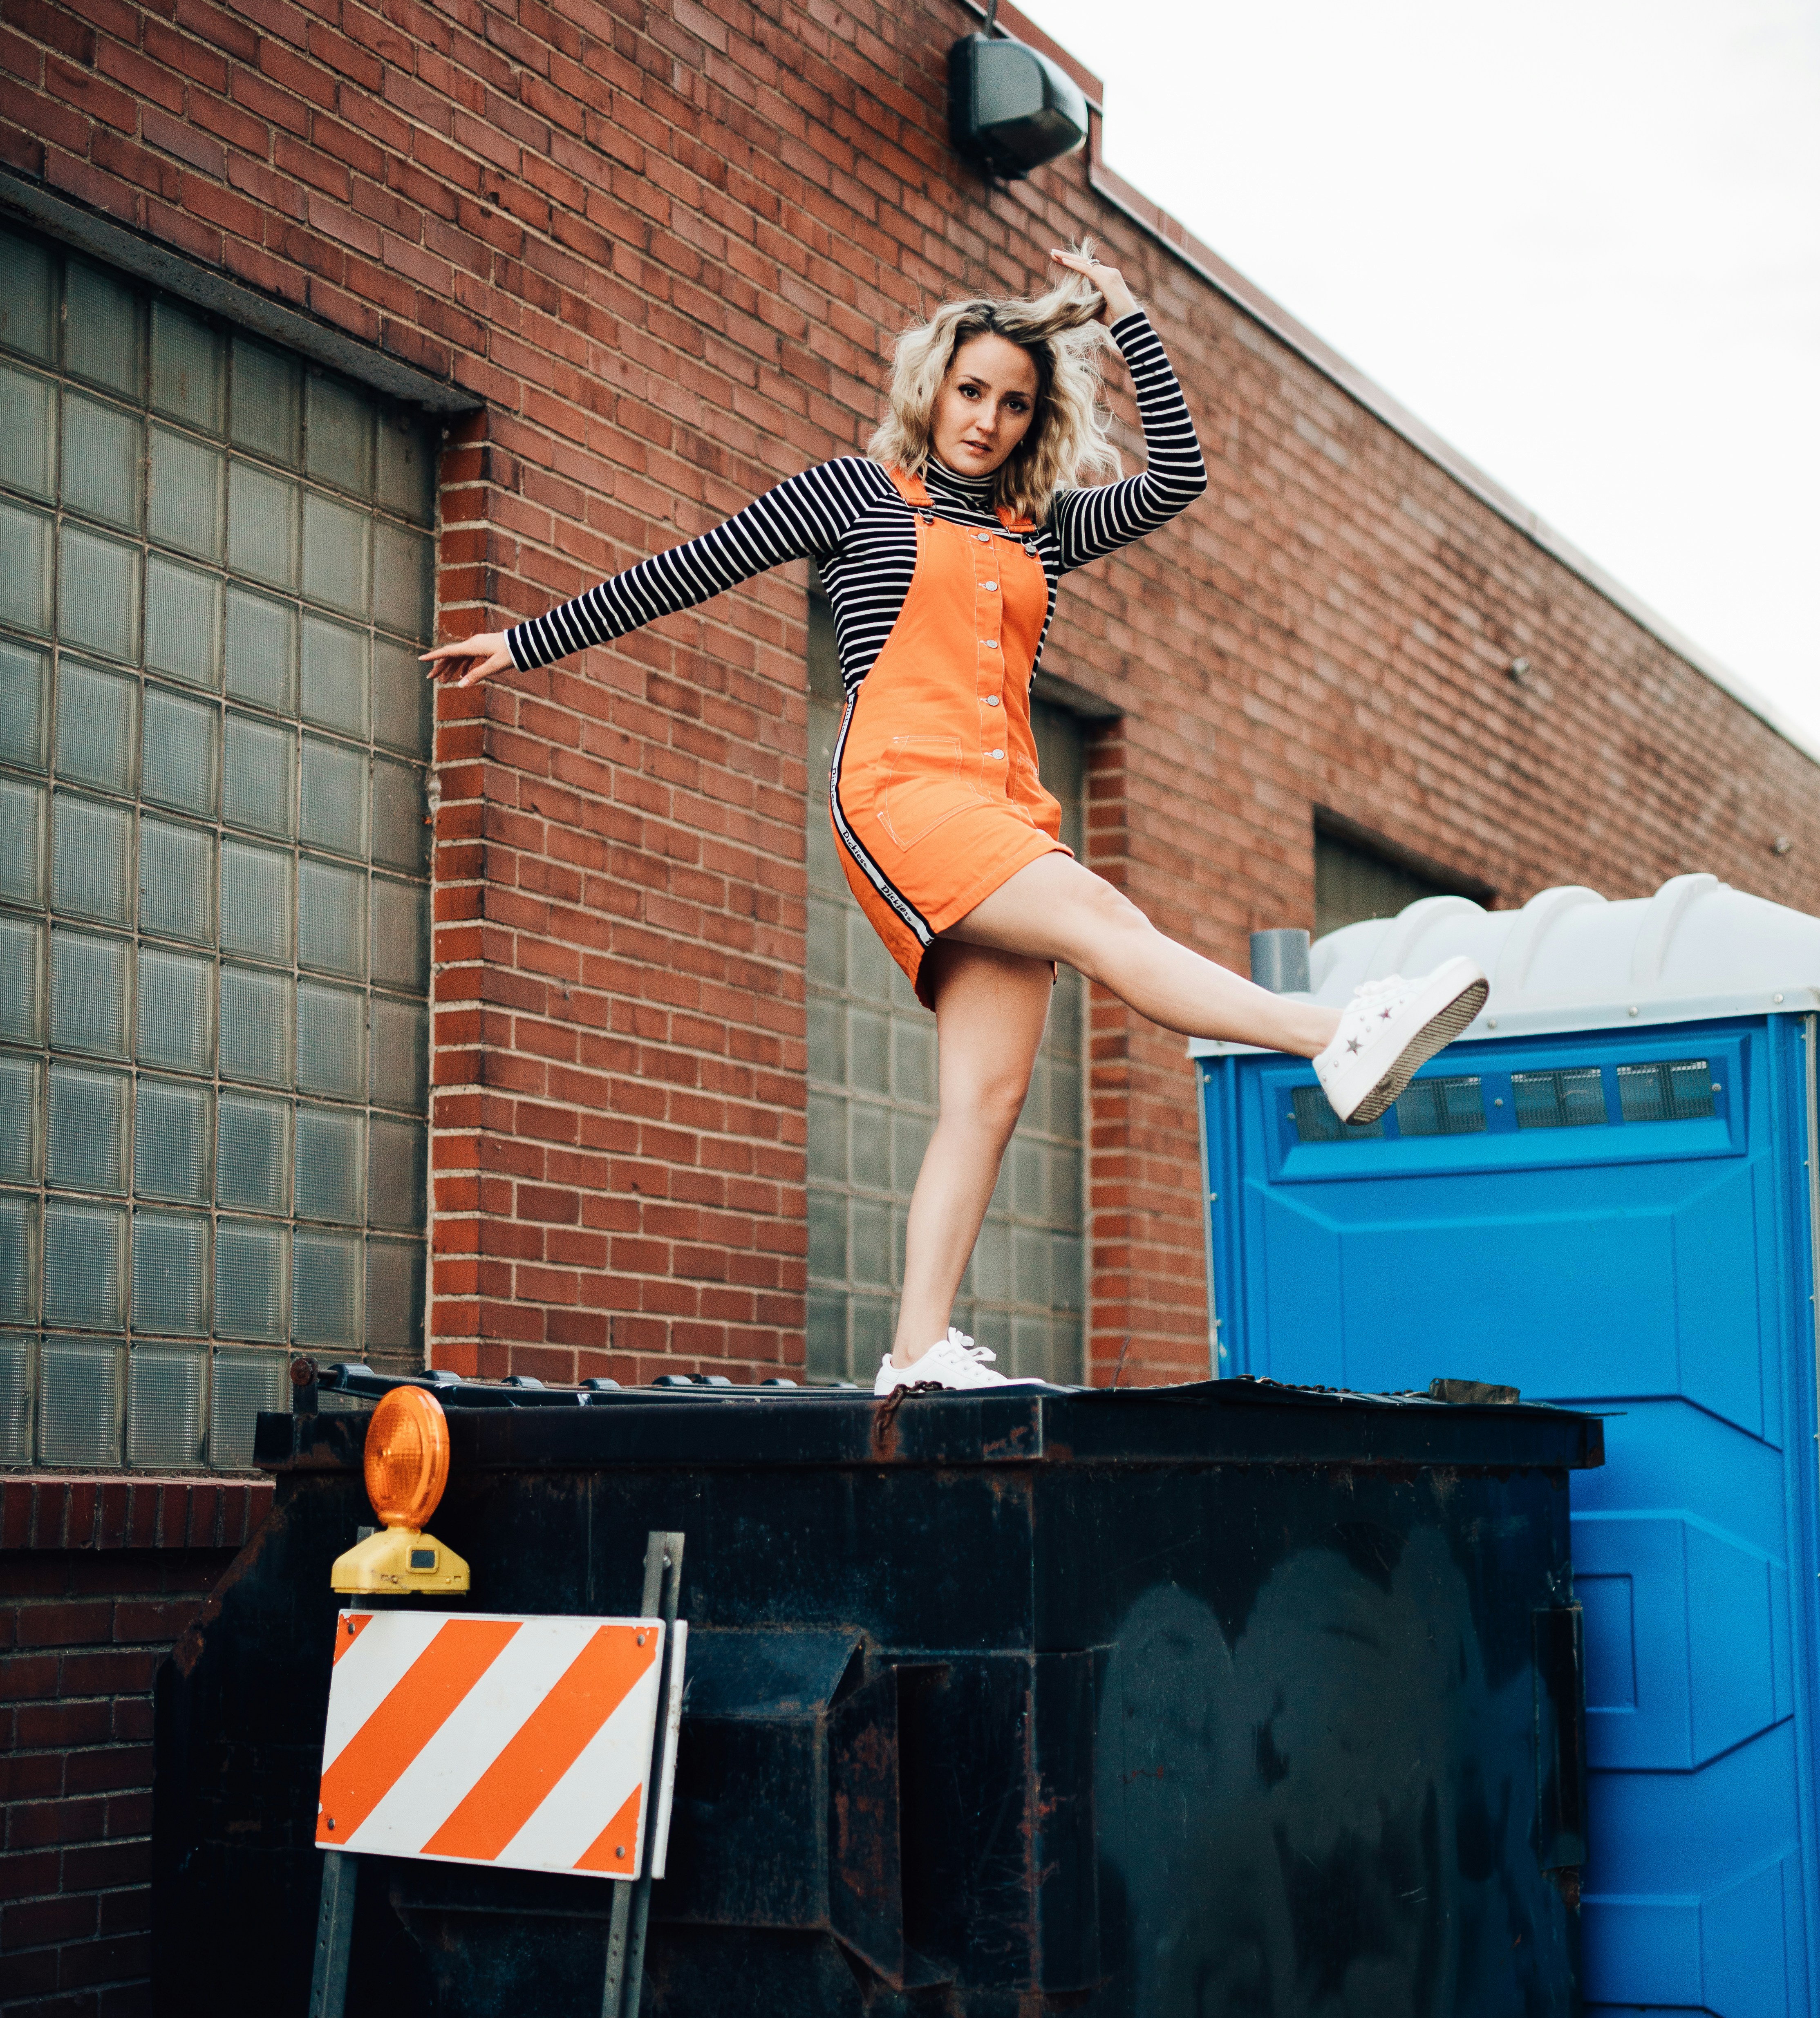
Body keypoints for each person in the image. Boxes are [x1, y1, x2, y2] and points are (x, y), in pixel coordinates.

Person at [424, 248, 1486, 1394]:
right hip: (900, 788)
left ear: (1037, 421)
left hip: (1004, 798)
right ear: (932, 387)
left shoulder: (1040, 528)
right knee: (1098, 914)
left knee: (988, 1098)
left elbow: (1177, 478)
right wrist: (524, 640)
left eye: (1014, 403)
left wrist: (1128, 317)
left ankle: (917, 1351)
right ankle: (1332, 1035)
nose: (987, 419)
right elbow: (691, 568)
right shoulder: (854, 493)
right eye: (971, 391)